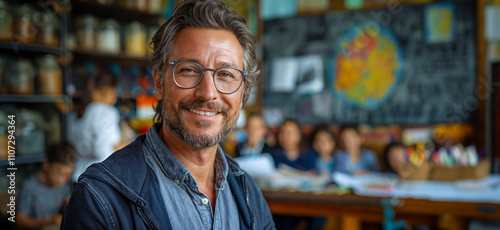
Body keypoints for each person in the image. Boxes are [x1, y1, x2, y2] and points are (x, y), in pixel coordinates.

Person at [61, 1, 275, 229]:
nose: (208, 93)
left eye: (226, 74)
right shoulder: (100, 199)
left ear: (243, 93)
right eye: (189, 70)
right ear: (159, 82)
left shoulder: (247, 192)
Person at [71, 70, 126, 182]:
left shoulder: (81, 110)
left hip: (79, 175)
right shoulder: (107, 112)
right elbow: (101, 151)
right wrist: (122, 146)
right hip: (100, 178)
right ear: (110, 90)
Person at [17, 142, 76, 230]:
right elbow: (20, 221)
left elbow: (66, 202)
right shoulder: (29, 186)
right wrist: (50, 220)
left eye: (68, 174)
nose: (63, 180)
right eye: (60, 173)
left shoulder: (65, 185)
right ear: (46, 164)